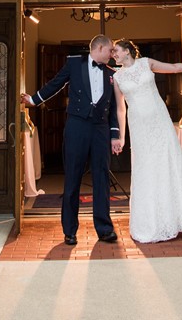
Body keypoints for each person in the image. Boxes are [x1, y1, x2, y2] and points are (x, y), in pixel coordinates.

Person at [21, 34, 122, 246]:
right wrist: (34, 100)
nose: (112, 54)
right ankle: (69, 231)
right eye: (110, 50)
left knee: (102, 178)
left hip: (101, 129)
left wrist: (115, 135)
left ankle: (105, 229)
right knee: (73, 178)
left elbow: (113, 108)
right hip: (77, 127)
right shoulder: (74, 63)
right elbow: (56, 83)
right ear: (100, 48)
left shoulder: (112, 74)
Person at [111, 38, 182, 243]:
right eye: (112, 52)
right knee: (146, 168)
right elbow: (120, 109)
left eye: (116, 51)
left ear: (127, 51)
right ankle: (152, 222)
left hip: (159, 120)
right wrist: (121, 136)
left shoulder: (146, 63)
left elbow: (173, 68)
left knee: (169, 162)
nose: (114, 55)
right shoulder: (117, 77)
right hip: (139, 126)